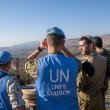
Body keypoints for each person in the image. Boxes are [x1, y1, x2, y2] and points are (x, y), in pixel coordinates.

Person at [27, 27, 79, 110]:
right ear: (63, 43)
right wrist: (63, 47)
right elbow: (78, 62)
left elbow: (28, 61)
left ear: (46, 43)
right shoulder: (74, 63)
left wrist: (40, 48)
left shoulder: (38, 65)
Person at [62, 36, 106, 110]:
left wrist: (63, 48)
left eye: (82, 46)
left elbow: (74, 60)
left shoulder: (87, 64)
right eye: (79, 46)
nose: (80, 48)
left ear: (91, 45)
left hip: (87, 100)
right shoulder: (102, 59)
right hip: (99, 98)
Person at [93, 36, 110, 109]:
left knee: (99, 104)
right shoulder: (108, 52)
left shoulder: (98, 56)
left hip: (100, 82)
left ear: (93, 45)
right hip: (105, 81)